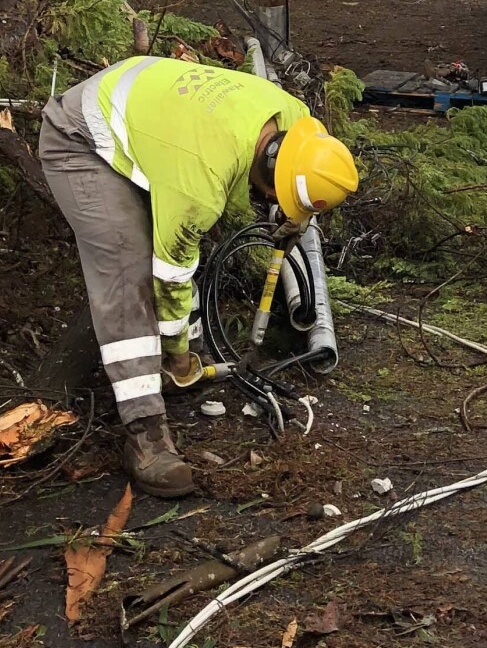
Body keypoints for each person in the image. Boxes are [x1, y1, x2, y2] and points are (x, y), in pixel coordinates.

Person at [39, 56, 360, 494]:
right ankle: (146, 435)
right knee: (128, 273)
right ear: (272, 170)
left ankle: (182, 360)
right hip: (80, 137)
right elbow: (170, 279)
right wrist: (178, 355)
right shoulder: (200, 181)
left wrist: (294, 214)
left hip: (145, 113)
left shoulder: (298, 123)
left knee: (178, 242)